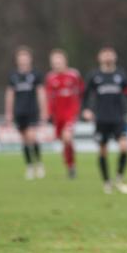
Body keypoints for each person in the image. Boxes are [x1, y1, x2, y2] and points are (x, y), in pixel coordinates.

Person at [81, 47, 127, 194]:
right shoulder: (94, 76)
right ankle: (107, 181)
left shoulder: (121, 75)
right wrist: (86, 110)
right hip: (101, 119)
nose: (108, 57)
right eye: (105, 54)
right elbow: (85, 95)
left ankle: (119, 176)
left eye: (110, 54)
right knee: (103, 151)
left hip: (118, 118)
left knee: (125, 147)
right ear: (99, 57)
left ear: (115, 56)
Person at [4, 46, 47, 180]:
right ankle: (29, 166)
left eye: (25, 58)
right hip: (19, 111)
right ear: (17, 60)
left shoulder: (36, 75)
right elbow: (10, 95)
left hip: (32, 111)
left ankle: (39, 164)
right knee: (24, 140)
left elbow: (41, 93)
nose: (23, 60)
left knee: (32, 137)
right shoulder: (13, 76)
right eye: (20, 58)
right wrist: (9, 112)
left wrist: (44, 110)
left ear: (30, 59)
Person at [45, 49, 84, 178]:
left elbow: (82, 93)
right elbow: (49, 98)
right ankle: (70, 165)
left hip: (71, 114)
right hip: (58, 116)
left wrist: (80, 110)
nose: (57, 64)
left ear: (65, 61)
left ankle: (71, 166)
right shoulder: (50, 78)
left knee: (67, 137)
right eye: (54, 62)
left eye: (59, 61)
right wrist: (49, 114)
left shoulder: (74, 75)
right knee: (64, 142)